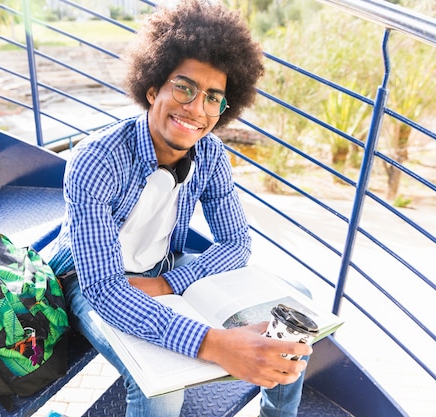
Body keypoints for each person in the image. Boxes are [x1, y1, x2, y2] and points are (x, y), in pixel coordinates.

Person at [47, 1, 312, 416]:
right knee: (163, 388)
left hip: (165, 271)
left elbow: (237, 242)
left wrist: (170, 283)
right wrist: (215, 344)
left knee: (296, 304)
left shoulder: (211, 156)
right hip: (86, 281)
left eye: (213, 98)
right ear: (153, 89)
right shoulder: (96, 160)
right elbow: (103, 289)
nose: (196, 109)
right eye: (184, 88)